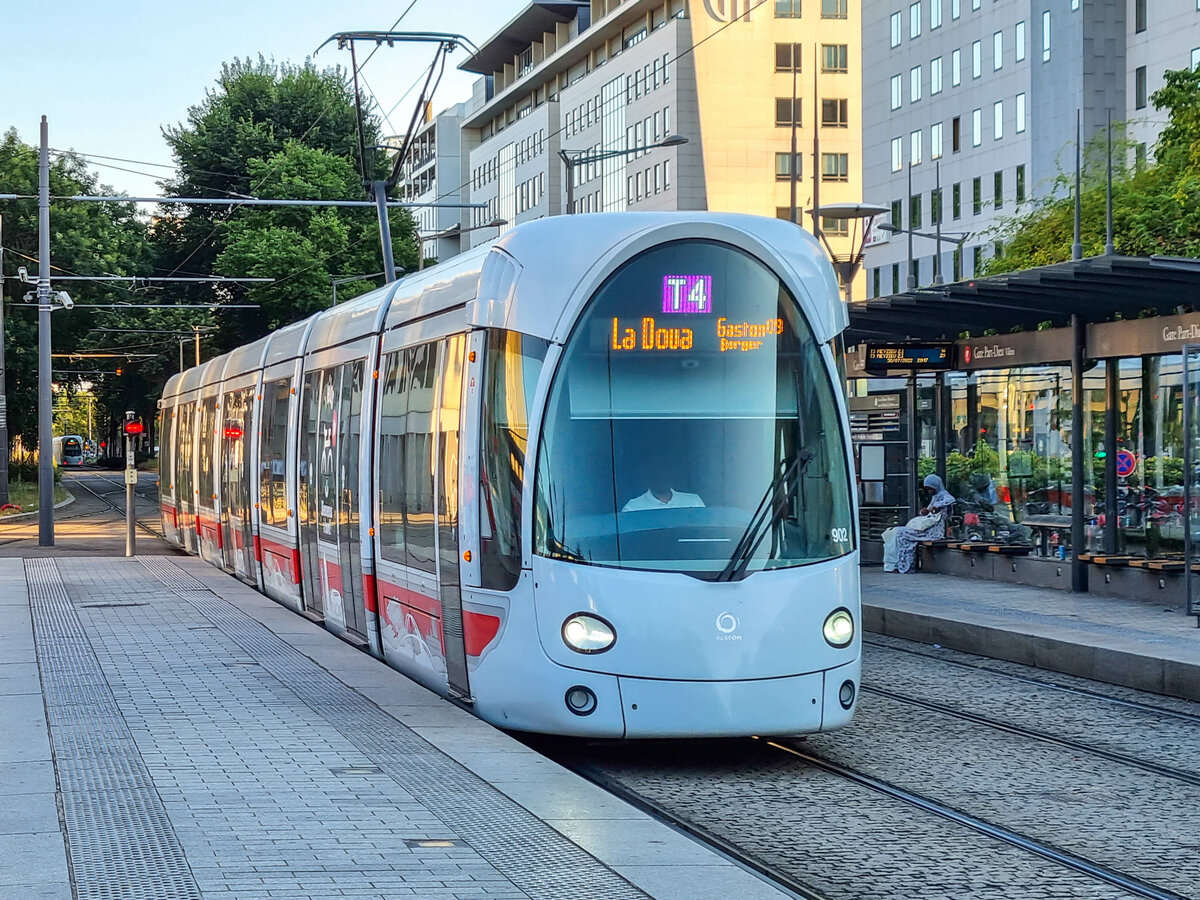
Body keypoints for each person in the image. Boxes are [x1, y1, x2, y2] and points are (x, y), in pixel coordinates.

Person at [884, 473, 957, 574]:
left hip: (934, 531)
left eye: (931, 489)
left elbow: (951, 500)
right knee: (901, 535)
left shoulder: (943, 495)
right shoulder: (935, 496)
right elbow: (928, 514)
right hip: (928, 528)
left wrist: (935, 507)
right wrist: (924, 511)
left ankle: (905, 566)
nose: (930, 491)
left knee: (901, 534)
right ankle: (903, 566)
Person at [622, 456, 705, 512]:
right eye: (656, 473)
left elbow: (704, 534)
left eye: (665, 472)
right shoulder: (633, 508)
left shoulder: (694, 502)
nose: (661, 477)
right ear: (648, 475)